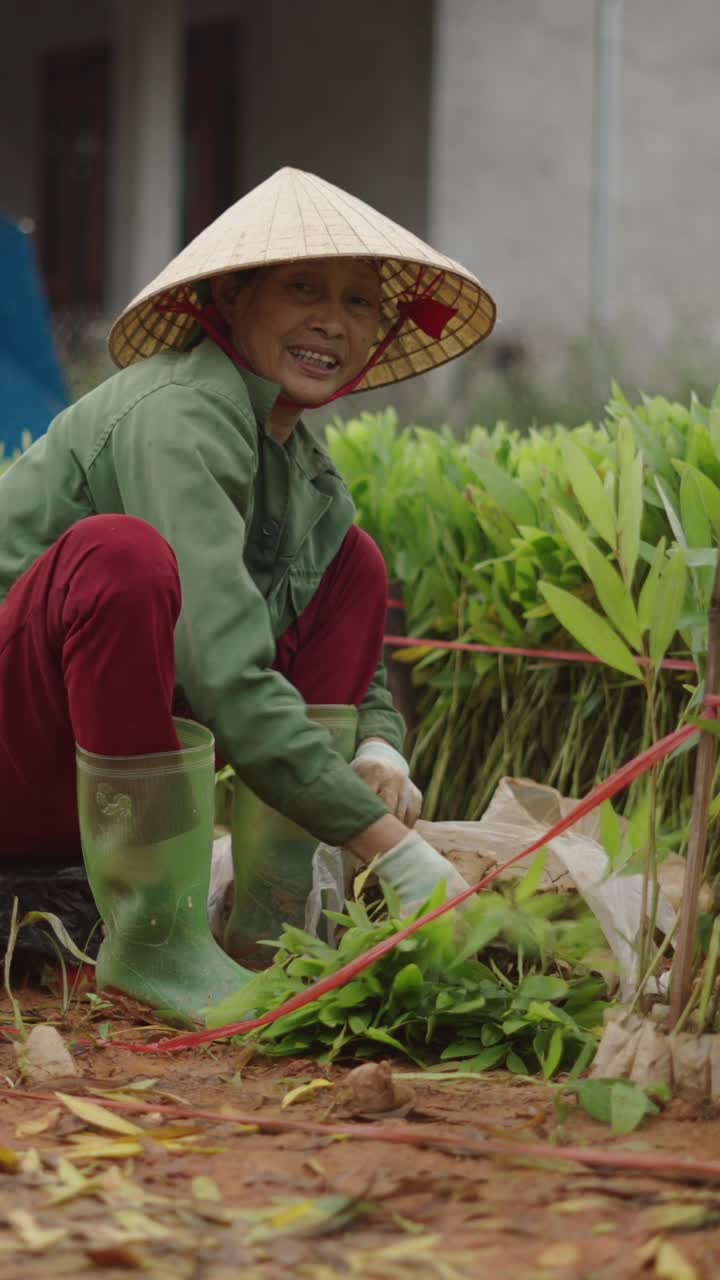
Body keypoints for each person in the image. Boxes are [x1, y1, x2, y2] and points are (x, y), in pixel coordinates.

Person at [0, 167, 497, 1024]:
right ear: (231, 296)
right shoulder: (178, 411)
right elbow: (226, 674)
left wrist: (382, 752)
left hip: (95, 798)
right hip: (22, 751)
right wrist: (397, 852)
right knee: (121, 557)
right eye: (303, 288)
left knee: (357, 565)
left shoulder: (306, 476)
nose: (331, 322)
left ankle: (275, 919)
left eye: (357, 302)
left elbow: (349, 659)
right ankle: (156, 943)